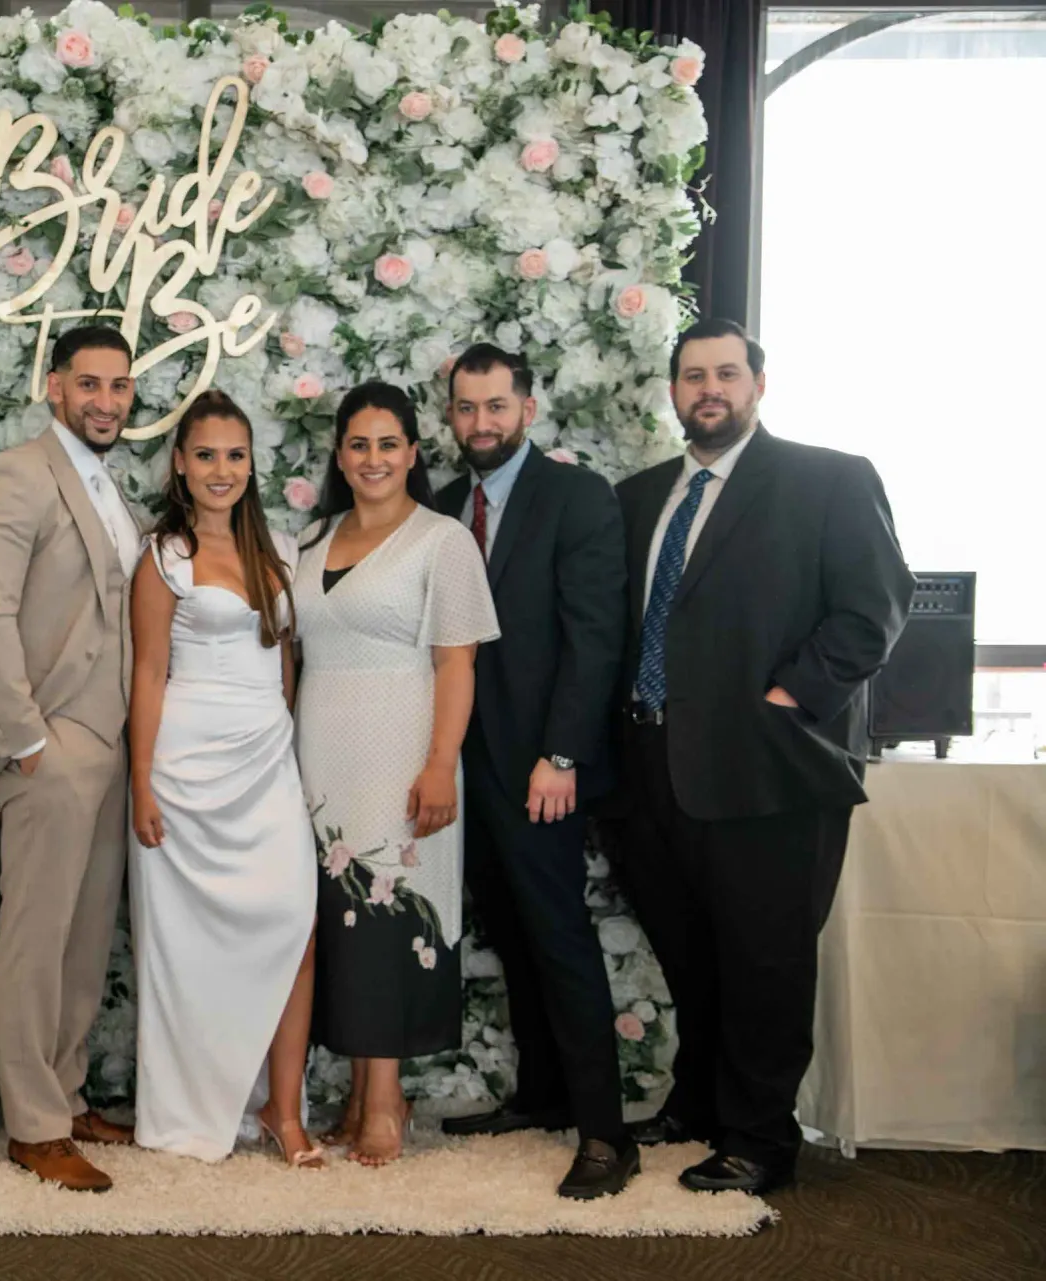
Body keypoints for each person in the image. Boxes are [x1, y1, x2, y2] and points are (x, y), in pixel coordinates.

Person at [612, 319, 912, 1194]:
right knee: (691, 953)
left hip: (771, 769)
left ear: (758, 385)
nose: (710, 388)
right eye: (693, 375)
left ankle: (760, 1140)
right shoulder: (639, 498)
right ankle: (700, 1103)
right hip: (651, 770)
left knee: (765, 962)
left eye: (727, 373)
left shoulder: (829, 480)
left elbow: (874, 610)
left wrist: (792, 698)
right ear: (673, 391)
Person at [430, 345, 635, 1199]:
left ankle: (605, 1134)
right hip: (463, 769)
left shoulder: (575, 496)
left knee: (558, 938)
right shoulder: (441, 507)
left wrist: (562, 757)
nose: (481, 423)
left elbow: (596, 637)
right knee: (511, 935)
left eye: (496, 406)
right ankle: (543, 1096)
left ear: (528, 408)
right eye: (466, 408)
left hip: (538, 766)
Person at [0, 325, 141, 1194]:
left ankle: (64, 1091)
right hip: (50, 745)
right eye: (89, 384)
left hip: (112, 743)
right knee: (35, 936)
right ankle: (31, 1122)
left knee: (86, 933)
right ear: (53, 386)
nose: (105, 400)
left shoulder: (111, 486)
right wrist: (25, 740)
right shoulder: (10, 475)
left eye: (120, 386)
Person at [293, 380, 499, 1167]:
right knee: (338, 929)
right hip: (320, 758)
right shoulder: (312, 540)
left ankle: (385, 1100)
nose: (373, 458)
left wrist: (441, 762)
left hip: (401, 755)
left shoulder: (441, 540)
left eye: (388, 443)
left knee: (385, 921)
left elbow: (458, 662)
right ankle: (355, 1091)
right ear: (340, 456)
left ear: (413, 452)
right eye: (358, 444)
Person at [127, 389, 319, 1167]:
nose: (221, 468)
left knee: (294, 923)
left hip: (265, 759)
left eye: (235, 454)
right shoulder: (163, 555)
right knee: (184, 946)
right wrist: (141, 780)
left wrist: (289, 745)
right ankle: (187, 1110)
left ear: (251, 462)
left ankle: (284, 1106)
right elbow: (146, 672)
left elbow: (288, 664)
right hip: (184, 765)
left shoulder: (280, 551)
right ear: (179, 463)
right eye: (205, 454)